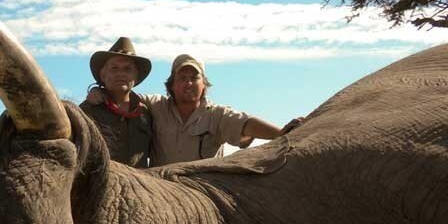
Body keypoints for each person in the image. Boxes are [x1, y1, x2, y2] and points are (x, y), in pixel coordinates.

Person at [86, 53, 304, 166]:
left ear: (204, 84)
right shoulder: (155, 105)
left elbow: (246, 123)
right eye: (182, 78)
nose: (188, 83)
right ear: (172, 84)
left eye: (194, 78)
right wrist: (99, 90)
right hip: (159, 193)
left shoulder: (217, 114)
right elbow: (124, 93)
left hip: (203, 195)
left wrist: (281, 134)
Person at [80, 37, 153, 168]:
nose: (121, 74)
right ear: (103, 75)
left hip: (139, 186)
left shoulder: (146, 113)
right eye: (114, 68)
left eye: (127, 69)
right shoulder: (87, 110)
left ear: (136, 77)